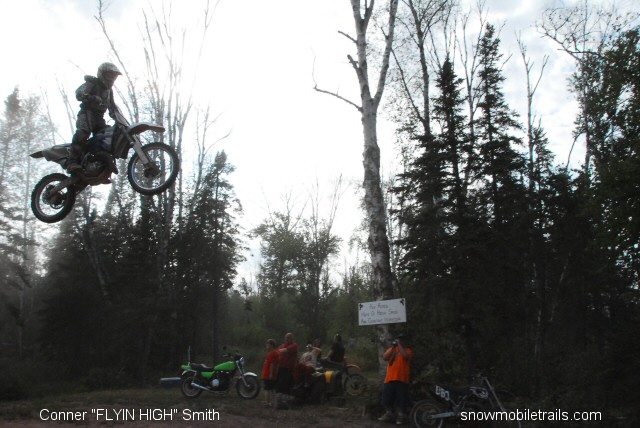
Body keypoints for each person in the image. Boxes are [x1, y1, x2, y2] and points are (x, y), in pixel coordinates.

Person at [67, 62, 122, 173]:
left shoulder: (109, 91)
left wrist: (119, 117)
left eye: (113, 76)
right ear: (102, 74)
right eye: (109, 75)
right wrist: (90, 97)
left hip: (99, 118)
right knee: (83, 133)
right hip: (86, 113)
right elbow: (79, 93)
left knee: (106, 136)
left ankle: (98, 162)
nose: (111, 78)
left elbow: (112, 106)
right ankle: (71, 162)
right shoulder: (92, 83)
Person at [378, 334, 413, 425]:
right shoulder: (392, 349)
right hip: (390, 378)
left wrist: (399, 345)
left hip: (402, 378)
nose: (400, 341)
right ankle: (389, 414)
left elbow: (405, 356)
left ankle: (402, 416)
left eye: (402, 340)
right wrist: (393, 347)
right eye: (399, 340)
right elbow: (385, 357)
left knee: (402, 399)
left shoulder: (408, 350)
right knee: (386, 398)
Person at [276, 332, 298, 405]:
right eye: (286, 338)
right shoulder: (282, 345)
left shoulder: (294, 345)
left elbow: (283, 351)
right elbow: (278, 352)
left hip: (289, 368)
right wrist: (282, 352)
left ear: (292, 338)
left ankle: (285, 401)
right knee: (279, 384)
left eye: (289, 338)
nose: (287, 339)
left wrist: (282, 351)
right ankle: (279, 401)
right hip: (281, 367)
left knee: (286, 384)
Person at [262, 339, 279, 408]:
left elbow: (272, 364)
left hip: (268, 375)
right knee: (272, 389)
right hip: (272, 375)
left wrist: (271, 374)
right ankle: (273, 403)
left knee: (267, 389)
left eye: (268, 344)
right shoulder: (275, 353)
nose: (267, 346)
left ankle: (267, 403)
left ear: (271, 345)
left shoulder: (272, 353)